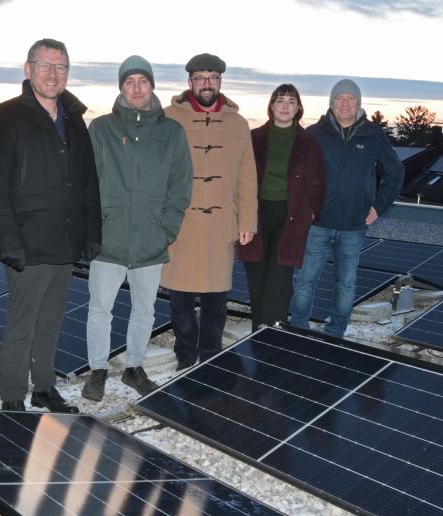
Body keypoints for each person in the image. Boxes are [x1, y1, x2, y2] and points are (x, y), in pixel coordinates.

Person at [0, 39, 101, 412]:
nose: (53, 74)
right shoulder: (6, 116)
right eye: (45, 65)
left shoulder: (75, 119)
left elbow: (87, 180)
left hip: (64, 238)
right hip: (28, 240)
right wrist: (9, 241)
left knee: (51, 320)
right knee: (22, 323)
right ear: (27, 68)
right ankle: (13, 396)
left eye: (61, 67)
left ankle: (44, 387)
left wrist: (92, 233)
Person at [81, 56, 193, 402]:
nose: (137, 88)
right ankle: (98, 369)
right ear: (121, 88)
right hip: (109, 239)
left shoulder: (171, 132)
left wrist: (167, 229)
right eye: (129, 81)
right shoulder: (101, 128)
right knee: (100, 309)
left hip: (151, 239)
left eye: (142, 81)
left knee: (145, 310)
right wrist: (93, 230)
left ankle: (134, 367)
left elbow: (180, 184)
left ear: (152, 85)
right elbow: (86, 183)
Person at [162, 52, 257, 370]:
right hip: (181, 222)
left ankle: (211, 353)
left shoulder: (238, 123)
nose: (207, 84)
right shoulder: (167, 118)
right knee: (180, 295)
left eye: (213, 78)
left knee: (217, 297)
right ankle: (186, 355)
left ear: (220, 81)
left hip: (220, 223)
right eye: (200, 78)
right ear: (189, 81)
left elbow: (247, 176)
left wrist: (247, 220)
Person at [290, 79, 404, 337]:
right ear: (331, 103)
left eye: (350, 99)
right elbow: (296, 175)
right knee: (305, 282)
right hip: (317, 224)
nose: (345, 103)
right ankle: (297, 331)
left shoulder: (373, 135)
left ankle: (336, 333)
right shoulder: (314, 134)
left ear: (358, 103)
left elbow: (395, 172)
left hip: (354, 226)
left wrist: (379, 205)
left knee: (346, 284)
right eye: (339, 98)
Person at [237, 84, 325, 332]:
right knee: (257, 279)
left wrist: (311, 212)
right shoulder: (253, 139)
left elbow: (319, 182)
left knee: (279, 282)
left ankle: (273, 335)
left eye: (291, 101)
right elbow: (238, 177)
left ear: (298, 108)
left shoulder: (309, 143)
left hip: (291, 216)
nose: (285, 106)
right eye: (280, 100)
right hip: (255, 214)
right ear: (271, 106)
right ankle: (258, 331)